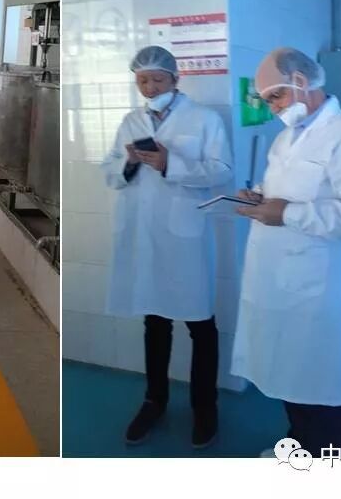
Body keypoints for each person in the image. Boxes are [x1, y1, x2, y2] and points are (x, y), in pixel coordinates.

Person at [232, 47, 341, 456]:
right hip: (276, 278)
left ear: (300, 81)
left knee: (321, 382)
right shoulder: (286, 136)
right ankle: (301, 448)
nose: (273, 108)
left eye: (276, 96)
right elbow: (285, 192)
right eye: (268, 101)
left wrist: (288, 213)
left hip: (316, 286)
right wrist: (260, 197)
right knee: (290, 375)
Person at [102, 45, 233, 449]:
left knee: (200, 325)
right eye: (142, 80)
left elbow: (222, 172)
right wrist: (129, 163)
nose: (150, 87)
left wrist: (168, 164)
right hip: (145, 236)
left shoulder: (205, 119)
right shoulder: (131, 120)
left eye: (158, 79)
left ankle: (205, 407)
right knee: (154, 321)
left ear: (176, 79)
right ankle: (154, 400)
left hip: (186, 238)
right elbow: (110, 171)